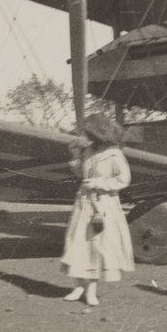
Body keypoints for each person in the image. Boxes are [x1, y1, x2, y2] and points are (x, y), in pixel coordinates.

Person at [60, 113, 135, 306]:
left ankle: (91, 291)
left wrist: (100, 182)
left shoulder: (115, 154)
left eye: (91, 133)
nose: (88, 137)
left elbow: (124, 179)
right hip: (84, 203)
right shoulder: (88, 152)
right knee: (77, 243)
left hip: (103, 206)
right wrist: (76, 157)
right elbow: (81, 175)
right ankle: (78, 286)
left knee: (96, 246)